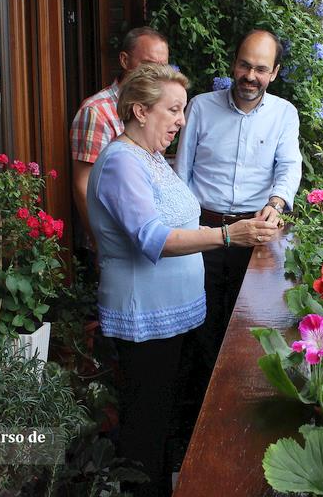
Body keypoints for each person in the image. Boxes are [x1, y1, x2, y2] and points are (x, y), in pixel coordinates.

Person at [86, 63, 278, 497]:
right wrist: (230, 234)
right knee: (145, 433)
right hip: (146, 318)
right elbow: (152, 238)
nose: (181, 120)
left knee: (166, 423)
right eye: (173, 110)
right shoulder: (121, 163)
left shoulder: (149, 157)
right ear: (139, 111)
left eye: (182, 110)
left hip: (173, 316)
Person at [174, 28, 302, 391]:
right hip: (204, 234)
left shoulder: (284, 114)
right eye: (245, 65)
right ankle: (196, 409)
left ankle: (235, 398)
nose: (250, 76)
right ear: (233, 64)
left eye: (261, 69)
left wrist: (276, 203)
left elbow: (289, 166)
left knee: (249, 326)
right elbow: (182, 172)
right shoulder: (199, 106)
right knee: (199, 327)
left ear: (274, 73)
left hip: (256, 239)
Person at [71, 27, 169, 243]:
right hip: (115, 240)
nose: (156, 74)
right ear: (125, 61)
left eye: (163, 67)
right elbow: (83, 184)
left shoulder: (153, 109)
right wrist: (100, 243)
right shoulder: (97, 111)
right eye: (149, 65)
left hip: (147, 234)